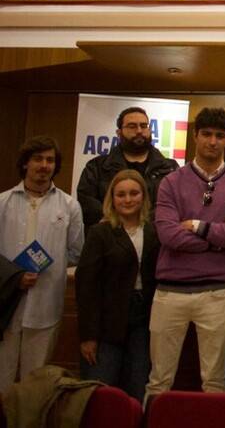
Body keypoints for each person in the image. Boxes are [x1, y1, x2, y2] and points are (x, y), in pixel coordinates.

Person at [146, 107, 225, 398]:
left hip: (217, 293)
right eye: (206, 134)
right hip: (170, 292)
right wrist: (219, 236)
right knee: (159, 381)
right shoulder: (171, 181)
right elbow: (168, 234)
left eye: (220, 136)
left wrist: (196, 226)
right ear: (195, 136)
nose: (213, 141)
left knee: (215, 383)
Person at [0, 136, 84, 393]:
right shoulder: (2, 202)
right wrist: (14, 276)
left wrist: (51, 266)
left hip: (46, 304)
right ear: (25, 163)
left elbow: (76, 252)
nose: (44, 165)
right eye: (38, 159)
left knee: (34, 385)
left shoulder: (69, 205)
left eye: (50, 160)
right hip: (5, 305)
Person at [75, 169, 159, 401]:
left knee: (138, 389)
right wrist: (88, 336)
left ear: (144, 196)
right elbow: (86, 287)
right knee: (100, 391)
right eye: (121, 194)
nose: (128, 199)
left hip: (144, 322)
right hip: (106, 325)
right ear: (112, 198)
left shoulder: (154, 231)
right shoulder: (100, 233)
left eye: (134, 193)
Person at [77, 106, 178, 230]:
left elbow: (175, 204)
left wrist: (144, 225)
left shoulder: (170, 168)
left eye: (144, 126)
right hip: (111, 238)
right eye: (132, 126)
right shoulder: (97, 167)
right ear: (119, 133)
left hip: (156, 238)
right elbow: (86, 202)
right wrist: (118, 221)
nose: (139, 131)